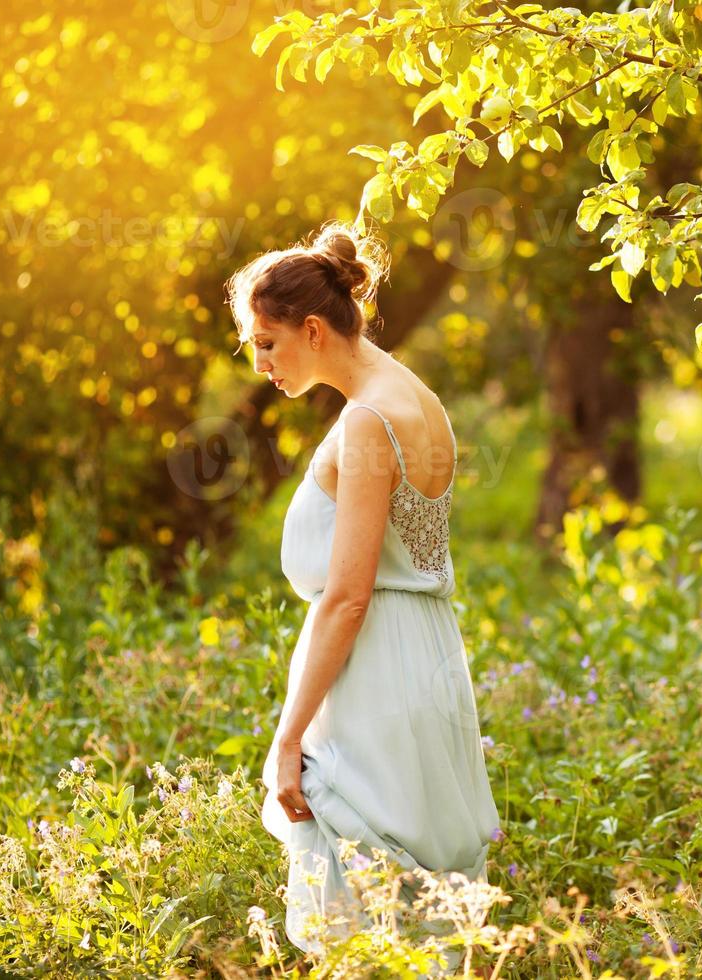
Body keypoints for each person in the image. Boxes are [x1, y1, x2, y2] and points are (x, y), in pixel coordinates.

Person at [226, 221, 500, 969]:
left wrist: (287, 742)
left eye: (268, 341)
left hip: (375, 680)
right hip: (429, 666)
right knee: (421, 926)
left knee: (366, 935)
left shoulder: (369, 420)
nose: (262, 363)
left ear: (312, 329)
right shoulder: (418, 398)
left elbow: (346, 598)